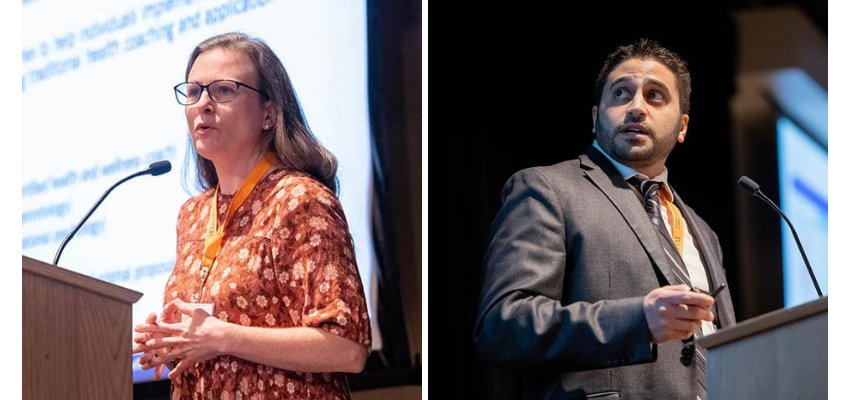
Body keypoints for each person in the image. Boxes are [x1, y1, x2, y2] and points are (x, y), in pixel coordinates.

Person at [473, 38, 736, 399]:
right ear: (596, 118)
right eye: (621, 94)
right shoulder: (548, 189)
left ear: (683, 126)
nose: (637, 108)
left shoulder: (701, 230)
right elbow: (503, 326)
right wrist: (637, 321)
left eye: (655, 96)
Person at [131, 32, 371, 399]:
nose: (203, 104)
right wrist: (173, 338)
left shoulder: (300, 200)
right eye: (194, 92)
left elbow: (347, 348)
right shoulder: (192, 215)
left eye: (223, 90)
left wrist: (222, 336)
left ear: (269, 113)